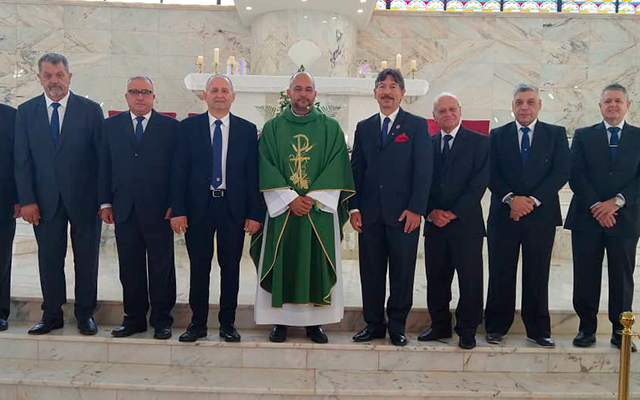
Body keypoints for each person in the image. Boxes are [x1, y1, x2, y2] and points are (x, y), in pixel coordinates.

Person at [251, 71, 354, 344]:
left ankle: (315, 324)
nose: (303, 94)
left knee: (316, 261)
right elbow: (265, 164)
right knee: (282, 258)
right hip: (283, 210)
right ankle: (280, 322)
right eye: (298, 89)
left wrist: (312, 199)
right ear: (289, 93)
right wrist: (289, 198)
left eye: (308, 89)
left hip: (318, 211)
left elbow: (337, 165)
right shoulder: (273, 128)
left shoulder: (331, 128)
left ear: (315, 94)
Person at [14, 53, 104, 336]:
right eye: (48, 75)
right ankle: (51, 314)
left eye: (59, 75)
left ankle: (85, 314)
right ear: (40, 78)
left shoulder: (90, 111)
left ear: (70, 77)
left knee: (86, 260)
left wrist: (104, 201)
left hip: (85, 202)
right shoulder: (26, 112)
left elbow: (101, 159)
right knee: (49, 259)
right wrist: (27, 200)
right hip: (43, 202)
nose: (54, 81)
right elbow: (22, 160)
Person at [171, 74, 262, 343]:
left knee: (230, 267)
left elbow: (252, 175)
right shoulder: (187, 128)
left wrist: (254, 213)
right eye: (214, 90)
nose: (219, 95)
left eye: (224, 91)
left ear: (233, 97)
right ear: (205, 96)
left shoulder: (247, 130)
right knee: (199, 267)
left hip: (232, 208)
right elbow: (179, 171)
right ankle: (197, 324)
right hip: (198, 207)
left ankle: (227, 324)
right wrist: (178, 209)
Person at [350, 69, 432, 346]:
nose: (387, 91)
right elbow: (357, 170)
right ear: (374, 93)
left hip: (403, 215)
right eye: (382, 86)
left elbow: (424, 171)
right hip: (370, 214)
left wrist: (416, 209)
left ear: (402, 93)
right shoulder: (364, 127)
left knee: (402, 272)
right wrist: (354, 208)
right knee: (370, 272)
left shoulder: (417, 126)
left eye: (393, 86)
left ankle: (397, 326)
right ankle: (373, 324)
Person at [484, 84, 570, 347]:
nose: (524, 107)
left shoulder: (555, 134)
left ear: (539, 105)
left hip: (540, 215)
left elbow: (561, 170)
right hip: (504, 214)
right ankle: (497, 326)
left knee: (537, 271)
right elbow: (489, 172)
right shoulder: (497, 135)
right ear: (512, 106)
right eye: (519, 102)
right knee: (500, 271)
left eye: (530, 102)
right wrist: (512, 199)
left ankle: (538, 329)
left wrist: (531, 201)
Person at [99, 75, 178, 340]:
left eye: (145, 92)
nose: (140, 97)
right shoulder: (110, 126)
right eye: (134, 92)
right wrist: (105, 202)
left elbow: (178, 170)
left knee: (161, 267)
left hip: (160, 211)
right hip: (124, 208)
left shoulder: (170, 127)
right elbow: (104, 167)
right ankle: (133, 319)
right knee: (129, 267)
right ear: (126, 96)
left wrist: (175, 205)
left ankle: (161, 319)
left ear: (154, 97)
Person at [566, 83, 640, 351]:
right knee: (585, 274)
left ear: (627, 105)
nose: (613, 105)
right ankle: (586, 328)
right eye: (608, 101)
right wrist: (598, 205)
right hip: (587, 217)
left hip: (625, 218)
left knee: (622, 277)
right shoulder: (584, 135)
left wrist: (616, 203)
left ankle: (621, 331)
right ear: (600, 106)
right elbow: (575, 174)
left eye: (618, 101)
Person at [418, 93, 489, 350]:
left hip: (466, 223)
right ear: (434, 116)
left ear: (460, 111)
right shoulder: (427, 143)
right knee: (436, 278)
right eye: (441, 110)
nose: (447, 114)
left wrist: (454, 212)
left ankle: (468, 329)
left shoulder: (480, 142)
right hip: (434, 223)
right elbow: (420, 181)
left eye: (452, 109)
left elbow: (479, 182)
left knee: (470, 280)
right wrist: (430, 211)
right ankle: (439, 325)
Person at [0, 103, 18, 331]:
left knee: (2, 257)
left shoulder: (10, 116)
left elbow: (19, 160)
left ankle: (1, 310)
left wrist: (18, 197)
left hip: (3, 200)